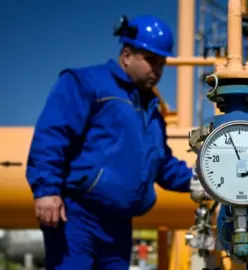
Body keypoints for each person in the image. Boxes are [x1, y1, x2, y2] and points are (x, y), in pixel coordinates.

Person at [25, 14, 196, 270]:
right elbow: (53, 135)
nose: (158, 71)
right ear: (126, 55)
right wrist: (47, 190)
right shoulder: (86, 83)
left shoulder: (151, 111)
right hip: (77, 215)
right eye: (151, 61)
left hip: (119, 224)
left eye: (162, 64)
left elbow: (161, 164)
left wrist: (204, 181)